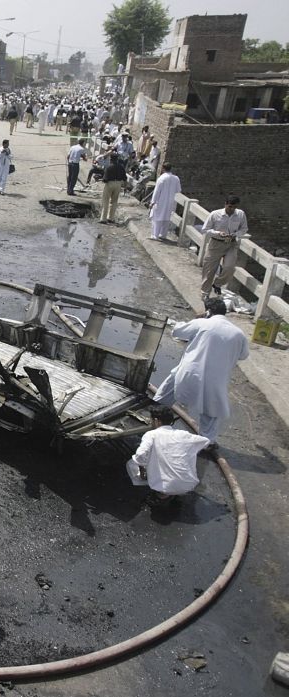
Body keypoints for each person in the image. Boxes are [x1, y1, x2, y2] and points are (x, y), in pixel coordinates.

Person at [154, 297, 249, 447]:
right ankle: (207, 442)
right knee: (210, 412)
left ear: (208, 311)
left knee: (168, 388)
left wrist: (194, 320)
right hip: (215, 381)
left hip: (189, 373)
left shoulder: (203, 323)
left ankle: (155, 414)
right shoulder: (238, 334)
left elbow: (177, 331)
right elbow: (243, 355)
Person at [126, 406, 209, 507]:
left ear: (156, 421)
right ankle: (174, 491)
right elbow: (205, 441)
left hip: (165, 487)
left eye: (151, 420)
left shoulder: (151, 434)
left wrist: (143, 471)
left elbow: (140, 455)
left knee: (131, 463)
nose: (151, 422)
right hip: (189, 484)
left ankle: (161, 495)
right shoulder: (183, 434)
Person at [200, 196, 248, 299]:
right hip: (216, 243)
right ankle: (205, 293)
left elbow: (244, 229)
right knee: (209, 270)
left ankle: (217, 283)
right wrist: (218, 233)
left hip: (231, 244)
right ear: (225, 204)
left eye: (234, 207)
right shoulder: (215, 214)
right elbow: (205, 230)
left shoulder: (240, 214)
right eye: (230, 206)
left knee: (229, 267)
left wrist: (236, 234)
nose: (231, 209)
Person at [148, 163, 182, 241]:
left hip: (161, 201)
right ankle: (163, 234)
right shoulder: (176, 178)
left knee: (157, 218)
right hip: (171, 201)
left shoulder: (161, 178)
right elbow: (178, 190)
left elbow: (157, 191)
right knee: (166, 218)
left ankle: (155, 235)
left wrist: (152, 202)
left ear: (163, 168)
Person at [99, 156, 126, 224]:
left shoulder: (109, 167)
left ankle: (103, 219)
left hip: (110, 184)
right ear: (117, 159)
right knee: (114, 201)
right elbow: (125, 178)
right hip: (118, 184)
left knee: (105, 201)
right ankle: (111, 218)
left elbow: (105, 179)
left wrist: (102, 179)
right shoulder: (121, 167)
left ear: (111, 160)